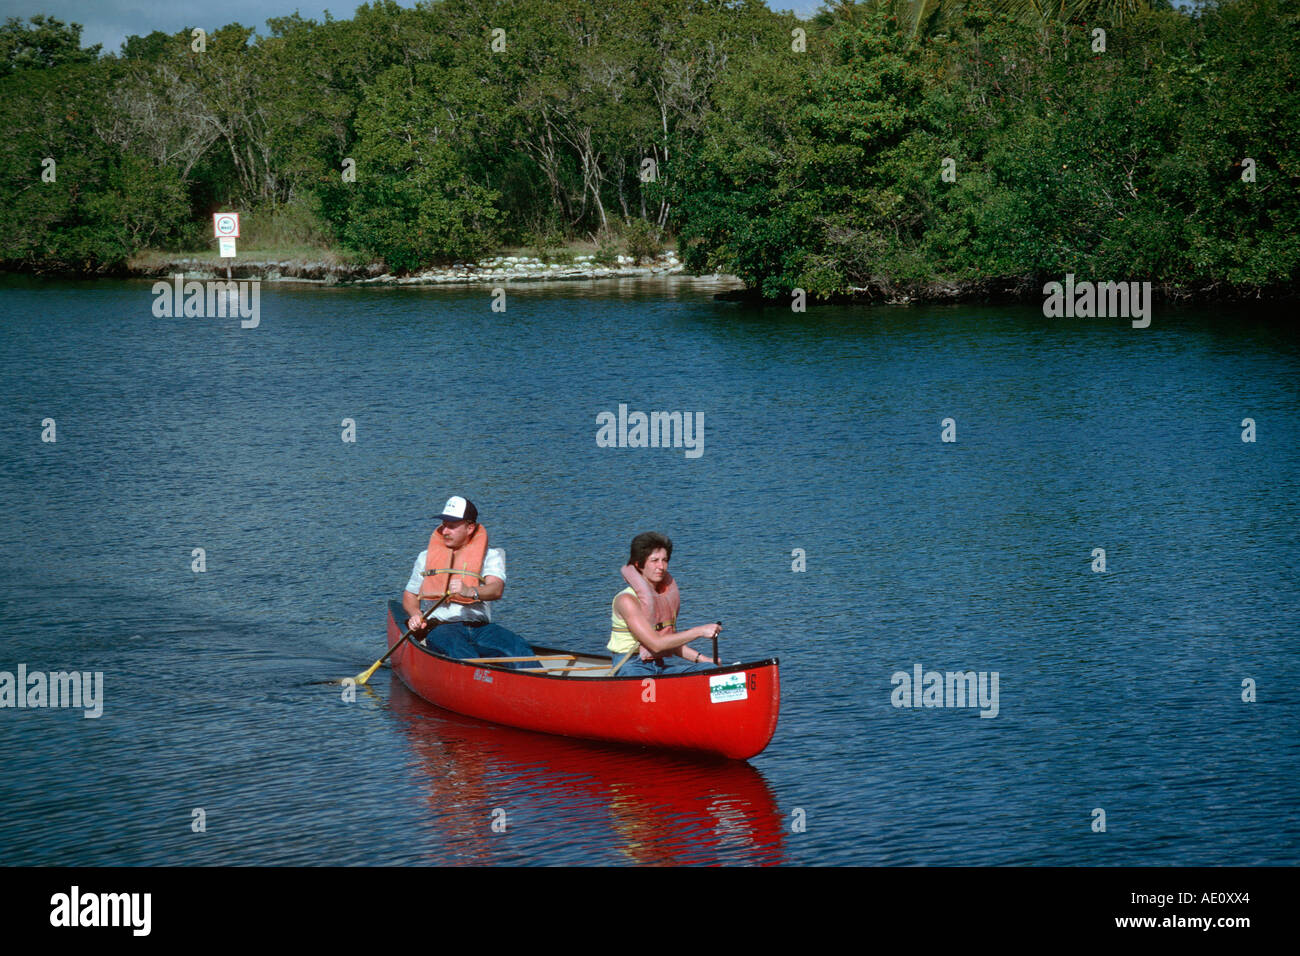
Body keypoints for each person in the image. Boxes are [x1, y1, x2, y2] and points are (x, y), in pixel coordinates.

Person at [402, 496, 534, 669]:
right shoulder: (425, 557)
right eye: (444, 524)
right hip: (442, 628)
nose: (445, 531)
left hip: (481, 628)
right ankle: (478, 684)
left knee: (519, 648)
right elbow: (410, 595)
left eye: (452, 526)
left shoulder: (490, 556)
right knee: (461, 654)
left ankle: (542, 687)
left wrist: (471, 591)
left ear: (470, 527)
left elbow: (496, 589)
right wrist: (415, 614)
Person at [608, 532, 721, 676]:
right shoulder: (626, 600)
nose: (661, 566)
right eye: (654, 560)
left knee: (710, 670)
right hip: (631, 666)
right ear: (638, 564)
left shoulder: (660, 596)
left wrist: (704, 660)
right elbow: (656, 644)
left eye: (665, 560)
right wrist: (699, 631)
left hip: (658, 665)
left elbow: (670, 642)